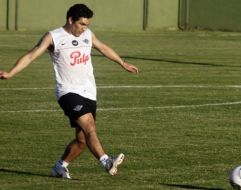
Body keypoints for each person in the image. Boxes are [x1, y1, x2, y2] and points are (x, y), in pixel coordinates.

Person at [0, 4, 139, 179]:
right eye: (81, 24)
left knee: (82, 140)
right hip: (67, 92)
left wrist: (123, 63)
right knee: (90, 126)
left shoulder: (88, 35)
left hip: (89, 91)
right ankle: (106, 161)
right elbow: (31, 55)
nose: (84, 29)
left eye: (86, 25)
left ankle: (60, 166)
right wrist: (11, 72)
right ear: (70, 20)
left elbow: (103, 48)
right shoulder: (54, 37)